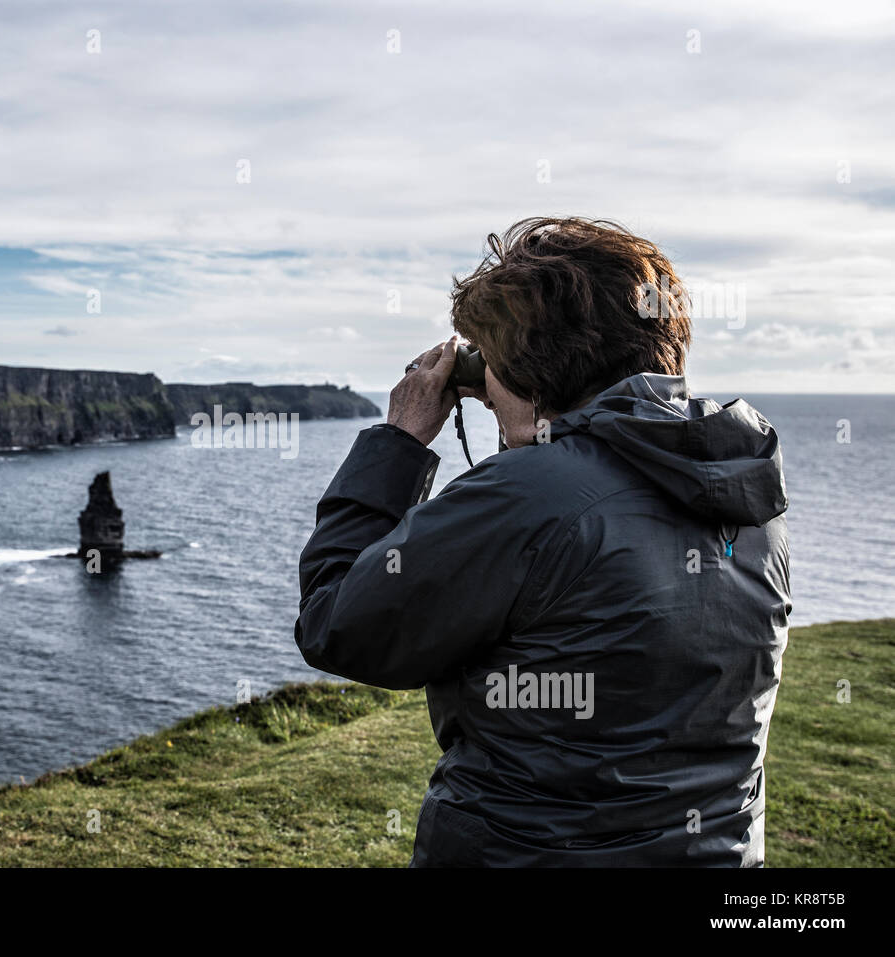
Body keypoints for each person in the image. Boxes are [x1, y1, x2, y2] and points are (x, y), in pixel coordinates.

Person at [294, 217, 790, 866]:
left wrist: (398, 443)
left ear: (529, 370)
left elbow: (336, 623)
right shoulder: (745, 486)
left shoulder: (529, 494)